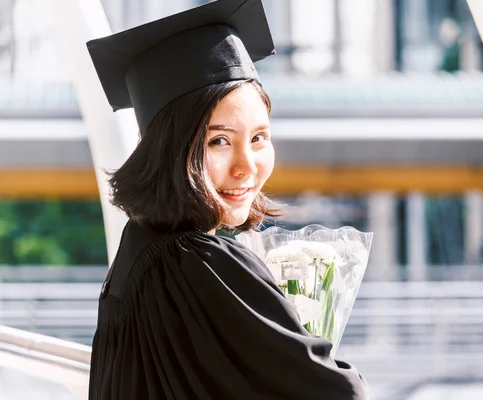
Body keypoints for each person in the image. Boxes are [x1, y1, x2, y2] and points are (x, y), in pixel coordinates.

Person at [86, 0, 369, 398]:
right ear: (169, 149)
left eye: (258, 138)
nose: (246, 166)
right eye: (218, 141)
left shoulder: (140, 247)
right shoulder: (201, 263)